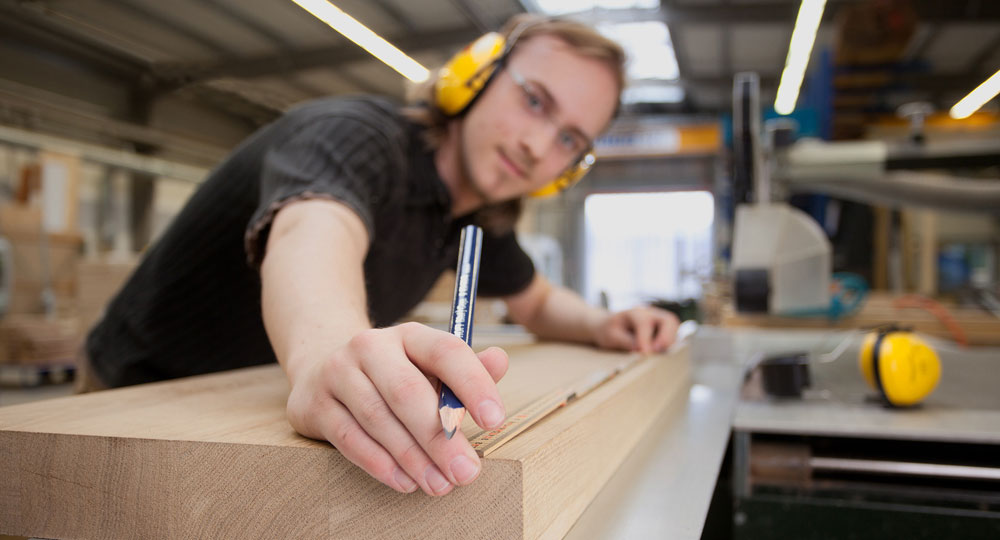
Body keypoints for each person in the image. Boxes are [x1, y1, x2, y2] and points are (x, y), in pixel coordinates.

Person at [83, 14, 680, 497]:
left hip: (246, 411)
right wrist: (325, 353)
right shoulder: (352, 136)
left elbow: (540, 302)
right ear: (476, 74)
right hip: (131, 403)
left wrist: (607, 323)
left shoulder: (476, 218)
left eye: (569, 140)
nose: (536, 145)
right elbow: (309, 236)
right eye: (534, 101)